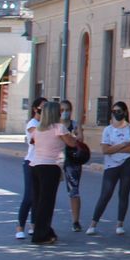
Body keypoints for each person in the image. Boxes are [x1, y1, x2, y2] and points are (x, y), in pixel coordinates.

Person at [28, 101, 82, 246]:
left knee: (39, 201)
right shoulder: (59, 128)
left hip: (35, 166)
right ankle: (41, 235)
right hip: (50, 167)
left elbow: (33, 141)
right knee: (47, 202)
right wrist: (75, 136)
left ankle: (43, 230)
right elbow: (72, 143)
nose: (61, 113)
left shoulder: (38, 129)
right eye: (59, 111)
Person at [89, 101, 130, 236]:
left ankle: (120, 224)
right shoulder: (108, 130)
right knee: (106, 193)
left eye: (119, 111)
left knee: (124, 193)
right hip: (111, 164)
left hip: (129, 163)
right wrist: (123, 145)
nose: (116, 114)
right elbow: (105, 150)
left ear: (125, 112)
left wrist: (115, 148)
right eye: (114, 111)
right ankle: (93, 223)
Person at [16, 98, 45, 240]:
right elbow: (37, 137)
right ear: (35, 109)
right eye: (42, 107)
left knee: (38, 197)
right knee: (29, 196)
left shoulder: (47, 124)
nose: (44, 110)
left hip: (42, 163)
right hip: (30, 162)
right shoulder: (32, 124)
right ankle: (20, 226)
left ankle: (34, 225)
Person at [60, 99, 85, 232]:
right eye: (62, 110)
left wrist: (74, 135)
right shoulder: (55, 125)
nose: (65, 113)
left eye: (67, 110)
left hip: (72, 161)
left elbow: (80, 139)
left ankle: (76, 221)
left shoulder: (74, 124)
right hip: (57, 161)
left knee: (74, 191)